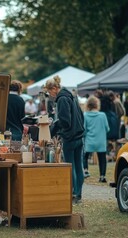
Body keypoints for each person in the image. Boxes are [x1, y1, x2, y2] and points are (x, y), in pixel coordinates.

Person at [46, 75, 85, 204]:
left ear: (55, 88)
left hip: (70, 136)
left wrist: (55, 126)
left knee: (71, 166)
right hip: (79, 135)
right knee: (78, 166)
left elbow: (65, 121)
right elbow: (80, 115)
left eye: (49, 90)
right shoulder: (71, 96)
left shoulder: (62, 99)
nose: (49, 93)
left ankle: (74, 194)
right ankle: (78, 194)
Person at [83, 96, 109, 182]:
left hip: (89, 141)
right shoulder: (103, 115)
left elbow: (84, 129)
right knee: (102, 159)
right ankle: (102, 176)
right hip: (101, 141)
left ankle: (86, 170)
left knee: (85, 156)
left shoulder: (85, 115)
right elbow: (107, 128)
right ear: (97, 104)